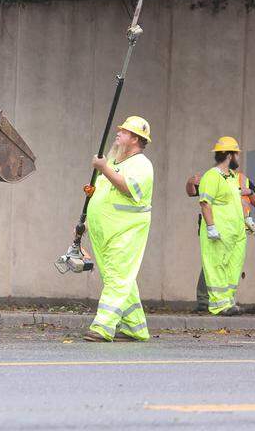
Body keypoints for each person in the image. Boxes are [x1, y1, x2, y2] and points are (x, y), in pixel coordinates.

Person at [83, 115, 154, 342]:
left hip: (125, 232)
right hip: (105, 231)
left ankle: (102, 327)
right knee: (122, 279)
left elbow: (126, 188)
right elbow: (101, 194)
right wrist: (85, 221)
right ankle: (136, 328)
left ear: (135, 139)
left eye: (124, 131)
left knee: (117, 279)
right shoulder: (115, 162)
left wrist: (103, 168)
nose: (118, 133)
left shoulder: (141, 164)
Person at [185, 137, 255, 312]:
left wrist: (246, 219)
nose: (238, 158)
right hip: (219, 232)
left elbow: (236, 202)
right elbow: (205, 202)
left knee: (232, 267)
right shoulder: (212, 176)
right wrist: (211, 226)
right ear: (229, 155)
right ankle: (219, 305)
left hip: (235, 233)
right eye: (236, 154)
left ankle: (228, 302)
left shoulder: (233, 177)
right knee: (216, 266)